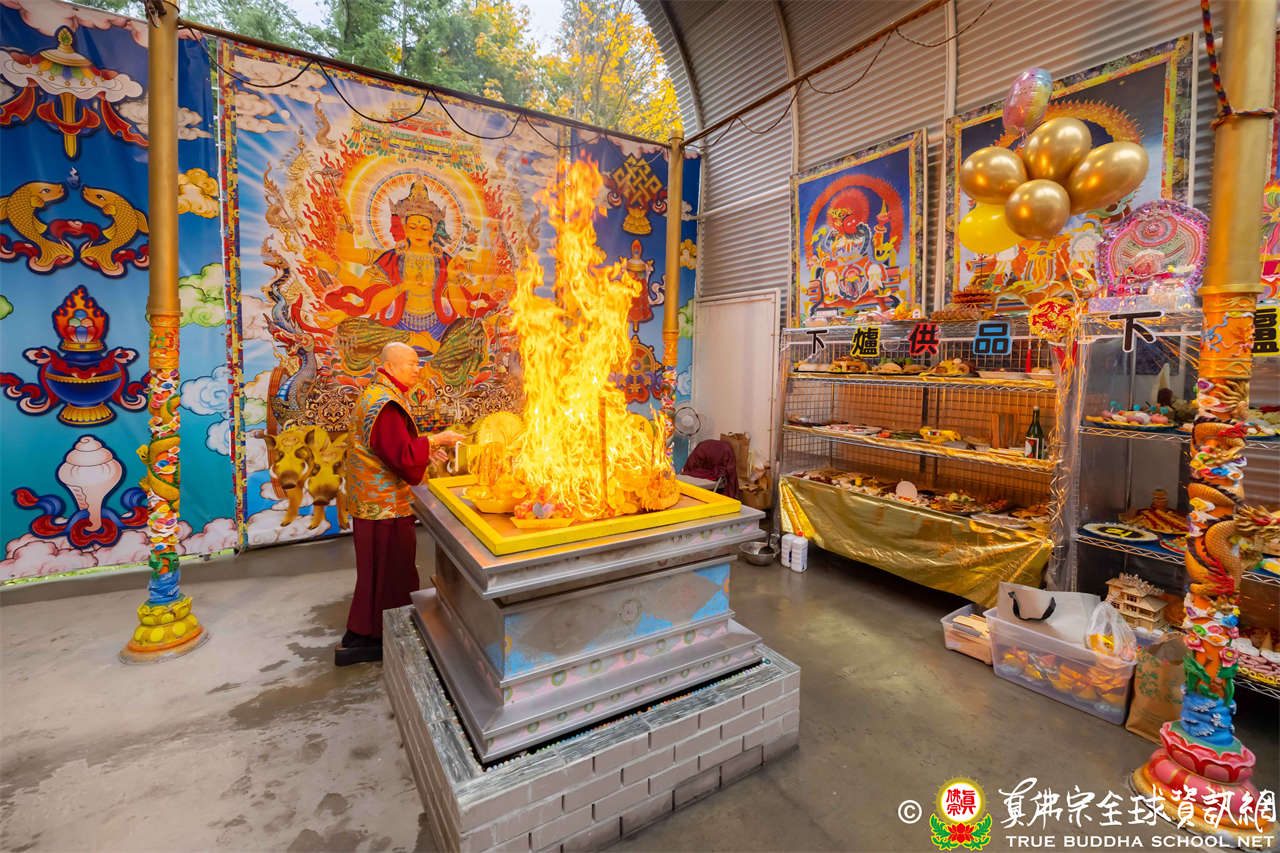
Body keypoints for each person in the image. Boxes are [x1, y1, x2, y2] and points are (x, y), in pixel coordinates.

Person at [337, 341, 464, 666]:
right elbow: (401, 455)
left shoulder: (378, 395)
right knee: (389, 573)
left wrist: (424, 451)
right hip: (384, 506)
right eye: (411, 363)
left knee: (376, 573)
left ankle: (364, 630)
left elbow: (395, 447)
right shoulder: (386, 404)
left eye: (418, 363)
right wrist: (437, 439)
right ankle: (383, 634)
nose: (418, 369)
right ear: (390, 367)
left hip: (374, 502)